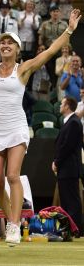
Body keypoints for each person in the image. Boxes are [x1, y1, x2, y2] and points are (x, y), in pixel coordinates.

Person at [0, 9, 82, 246]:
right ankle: (11, 219)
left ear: (17, 49)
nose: (5, 45)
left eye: (10, 42)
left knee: (12, 175)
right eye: (2, 42)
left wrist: (68, 30)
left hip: (16, 128)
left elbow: (49, 52)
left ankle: (15, 225)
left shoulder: (24, 68)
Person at [52, 96, 83, 235]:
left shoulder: (74, 123)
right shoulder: (69, 122)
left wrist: (56, 162)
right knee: (65, 200)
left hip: (69, 168)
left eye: (62, 103)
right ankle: (68, 228)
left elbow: (67, 146)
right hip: (65, 168)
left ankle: (75, 229)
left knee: (72, 200)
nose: (60, 106)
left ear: (67, 106)